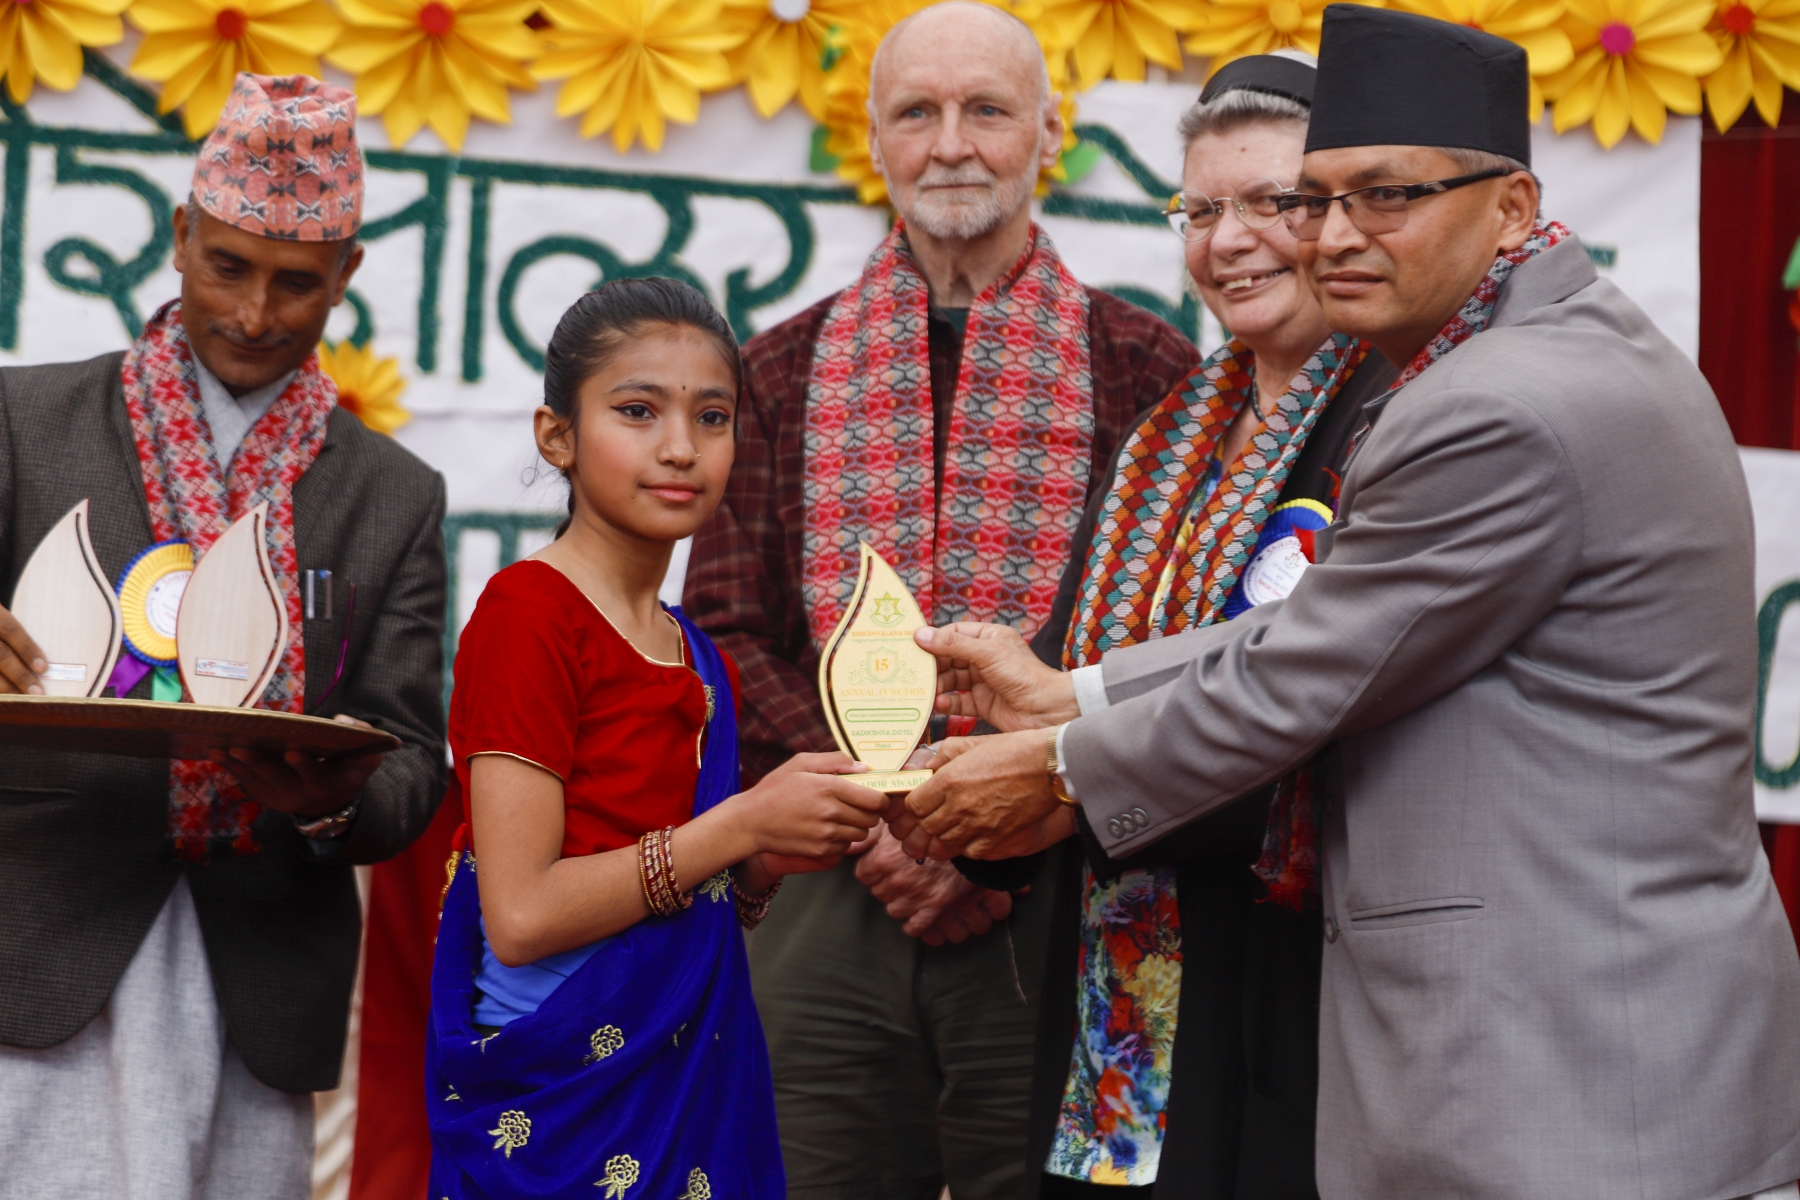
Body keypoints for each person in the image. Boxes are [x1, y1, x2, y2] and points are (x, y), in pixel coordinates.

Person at [895, 8, 1800, 1199]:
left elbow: (1301, 676)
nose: (1334, 237)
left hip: (1568, 1065)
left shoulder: (1496, 402)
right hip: (1553, 1049)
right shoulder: (1535, 353)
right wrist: (1078, 692)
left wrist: (1059, 767)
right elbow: (1312, 633)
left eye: (1387, 197)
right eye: (1317, 200)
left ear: (1513, 207)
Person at [680, 2, 1200, 1195]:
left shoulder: (1149, 370)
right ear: (874, 142)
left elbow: (1174, 647)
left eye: (987, 110)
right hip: (830, 870)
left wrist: (993, 821)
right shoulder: (778, 367)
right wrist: (894, 815)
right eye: (917, 112)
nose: (952, 143)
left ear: (1048, 136)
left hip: (1058, 875)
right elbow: (728, 631)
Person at [0, 74, 447, 1198]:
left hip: (259, 975)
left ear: (346, 274)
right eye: (227, 267)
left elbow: (410, 761)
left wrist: (330, 799)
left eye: (296, 283)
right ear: (178, 236)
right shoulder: (22, 421)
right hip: (37, 948)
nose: (253, 314)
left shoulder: (393, 494)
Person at [969, 52, 1393, 1199]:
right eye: (1200, 211)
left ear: (1344, 217)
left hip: (1298, 968)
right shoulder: (1168, 439)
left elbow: (1317, 699)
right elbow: (1069, 669)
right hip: (1125, 965)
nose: (1229, 241)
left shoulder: (1393, 421)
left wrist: (1055, 780)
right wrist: (982, 761)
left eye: (1271, 202)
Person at [426, 278, 892, 1198]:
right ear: (556, 436)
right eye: (638, 411)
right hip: (560, 1094)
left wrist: (772, 853)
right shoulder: (530, 615)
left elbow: (699, 883)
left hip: (680, 1078)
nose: (681, 447)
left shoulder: (697, 653)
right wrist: (742, 825)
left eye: (711, 418)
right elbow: (521, 919)